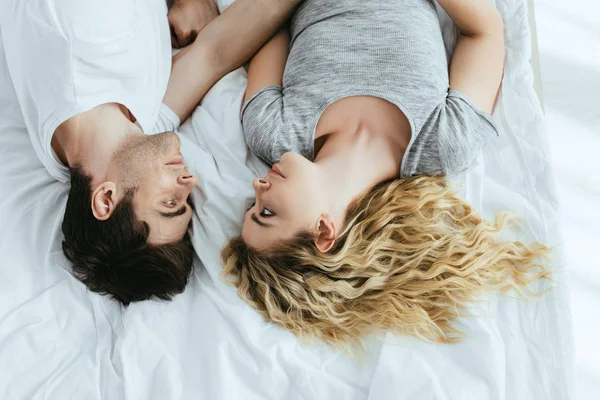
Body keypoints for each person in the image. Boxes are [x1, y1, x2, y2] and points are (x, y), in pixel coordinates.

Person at [221, 0, 552, 345]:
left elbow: (267, 21)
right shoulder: (444, 141)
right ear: (324, 231)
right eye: (267, 212)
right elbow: (483, 31)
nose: (258, 186)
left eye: (252, 205)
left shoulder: (270, 130)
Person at [0, 0, 302, 304]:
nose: (190, 183)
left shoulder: (80, 32)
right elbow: (213, 54)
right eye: (185, 203)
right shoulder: (126, 138)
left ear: (106, 198)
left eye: (170, 202)